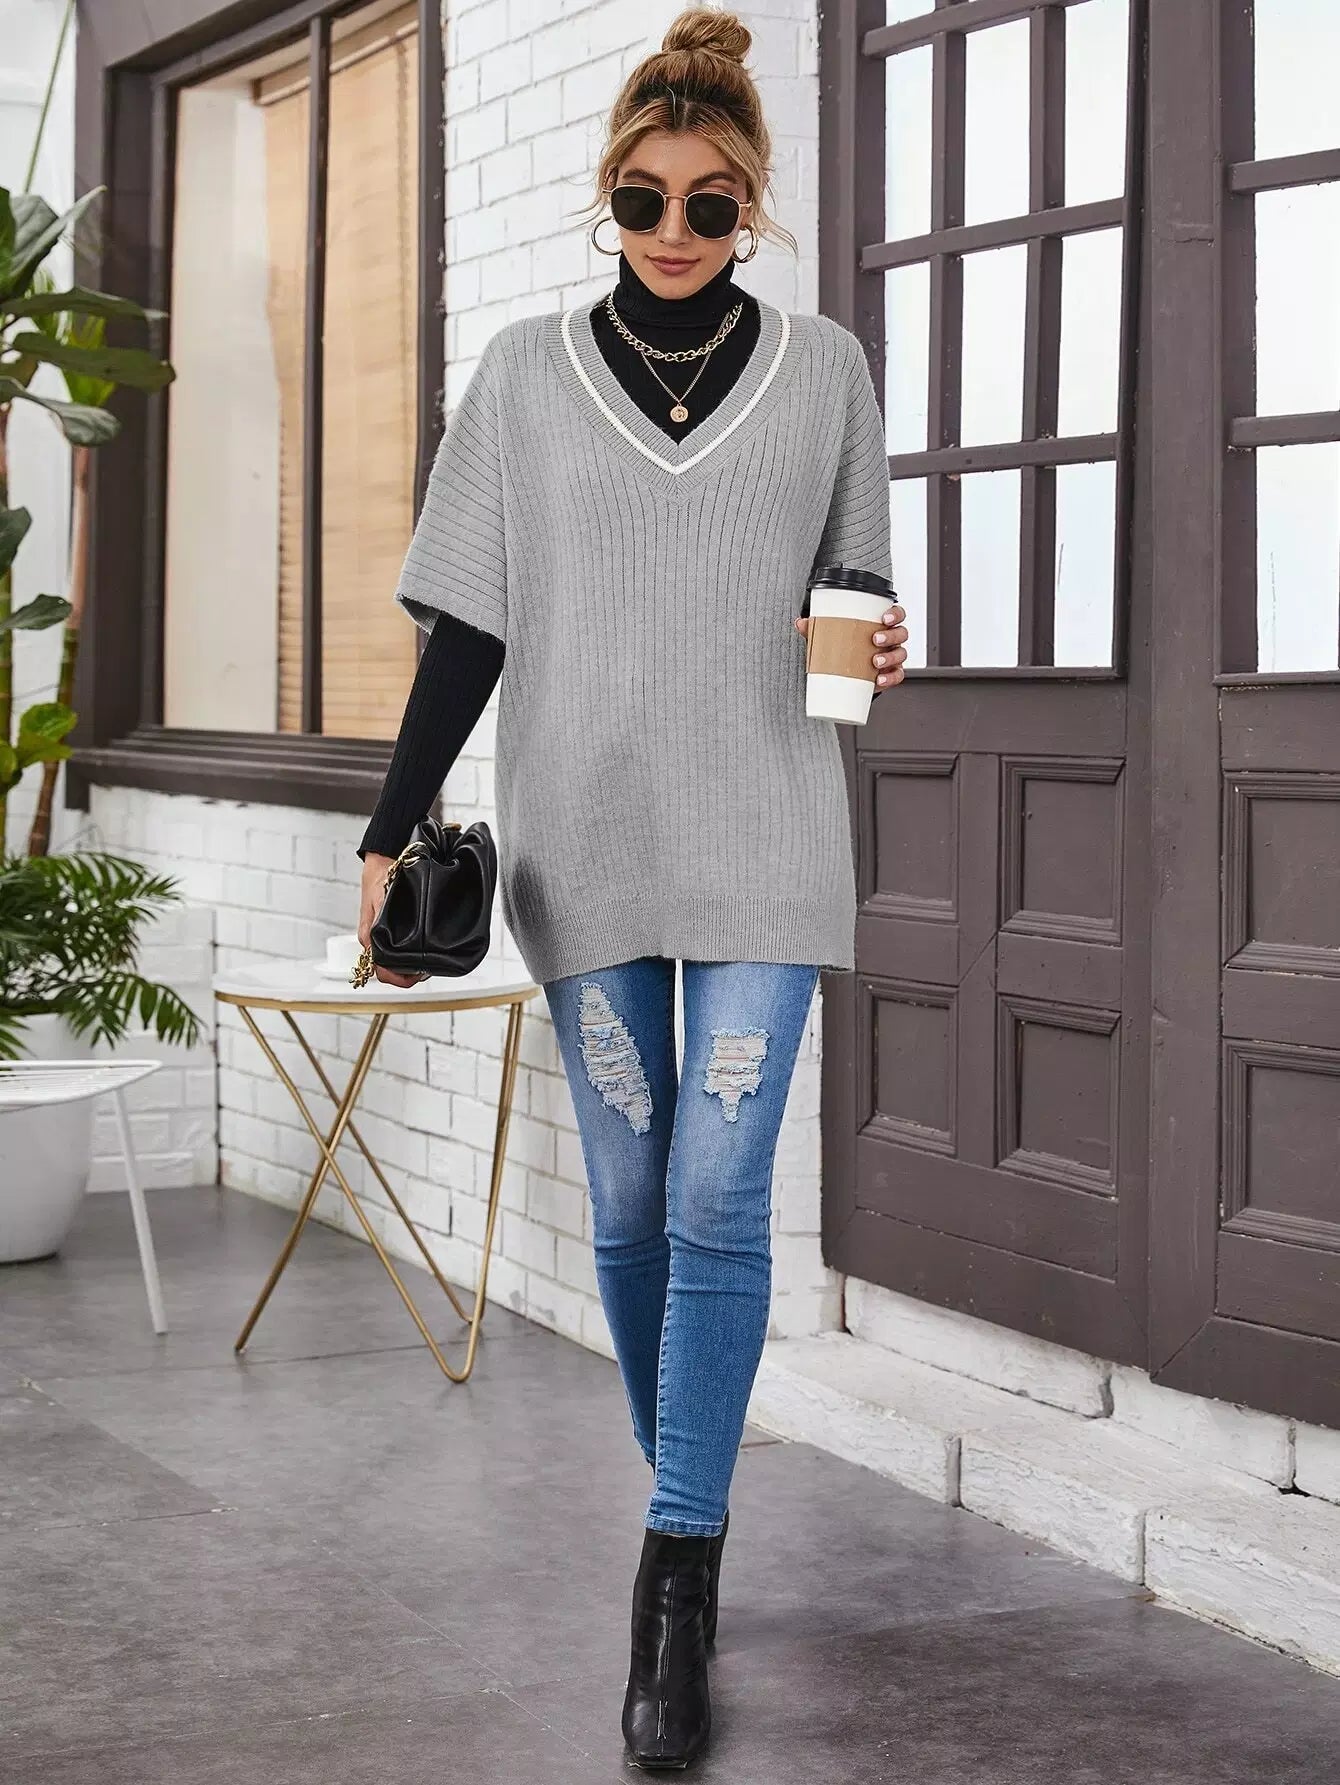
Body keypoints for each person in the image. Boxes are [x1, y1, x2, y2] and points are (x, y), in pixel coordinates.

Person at [356, 6, 909, 1768]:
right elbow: (467, 632)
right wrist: (385, 829)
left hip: (767, 838)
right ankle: (696, 1495)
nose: (676, 230)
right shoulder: (525, 375)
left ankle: (674, 1576)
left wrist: (873, 652)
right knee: (627, 1201)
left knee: (722, 1194)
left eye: (712, 203)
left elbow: (847, 613)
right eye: (646, 199)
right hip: (582, 842)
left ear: (755, 206)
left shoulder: (829, 371)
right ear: (609, 196)